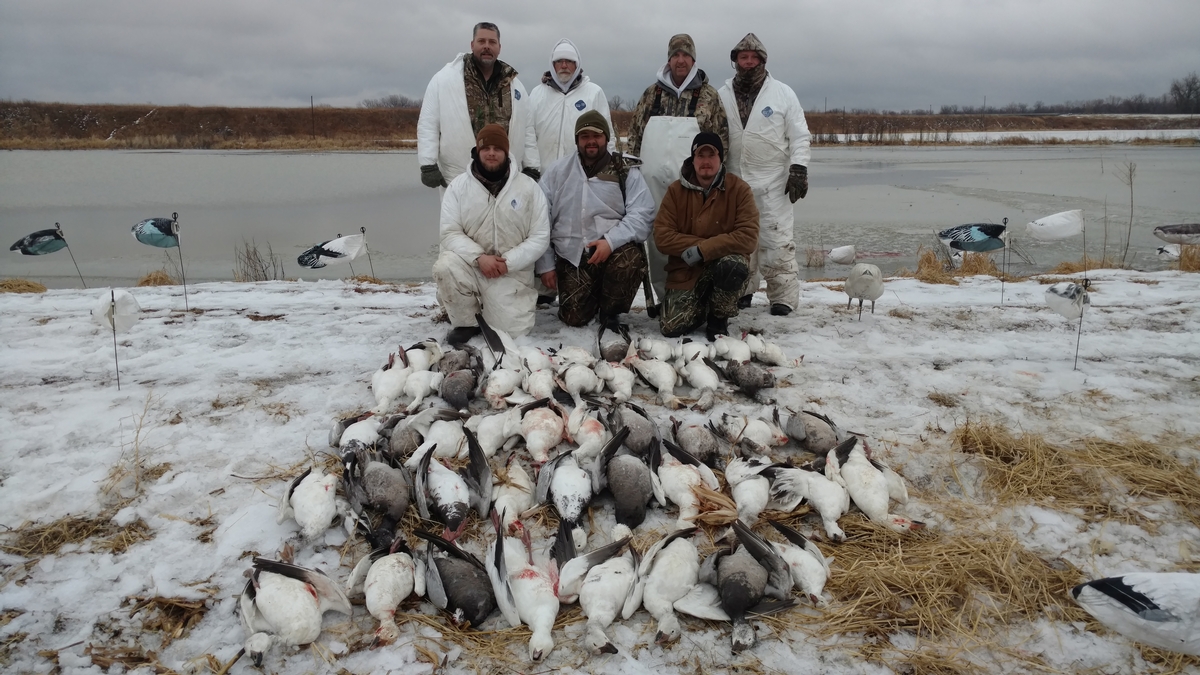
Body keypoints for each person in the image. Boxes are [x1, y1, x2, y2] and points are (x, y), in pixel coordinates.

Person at [623, 34, 730, 317]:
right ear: (669, 59)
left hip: (696, 186)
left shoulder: (709, 96)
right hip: (653, 186)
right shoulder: (651, 95)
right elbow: (634, 139)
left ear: (693, 60)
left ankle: (698, 295)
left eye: (686, 55)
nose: (680, 60)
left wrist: (717, 181)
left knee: (696, 239)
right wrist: (629, 179)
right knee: (659, 240)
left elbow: (722, 141)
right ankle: (662, 296)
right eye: (675, 55)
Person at [717, 33, 810, 316]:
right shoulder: (721, 95)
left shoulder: (782, 93)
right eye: (742, 57)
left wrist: (799, 168)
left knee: (775, 240)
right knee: (737, 240)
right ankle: (741, 291)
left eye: (753, 57)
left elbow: (800, 136)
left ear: (762, 60)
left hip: (774, 183)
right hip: (733, 182)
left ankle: (782, 297)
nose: (748, 62)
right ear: (735, 61)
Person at [433, 124, 550, 346]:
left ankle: (490, 308)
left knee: (512, 333)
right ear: (477, 151)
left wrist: (509, 263)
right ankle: (466, 322)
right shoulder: (458, 187)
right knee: (445, 266)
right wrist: (479, 257)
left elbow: (540, 236)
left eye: (498, 148)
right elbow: (449, 232)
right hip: (472, 265)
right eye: (486, 148)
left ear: (507, 152)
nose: (492, 153)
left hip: (510, 272)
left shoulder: (529, 188)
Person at [536, 110, 655, 329]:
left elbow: (643, 213)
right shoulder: (557, 171)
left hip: (613, 253)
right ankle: (591, 298)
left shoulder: (625, 170)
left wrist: (610, 242)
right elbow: (539, 218)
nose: (591, 141)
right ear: (577, 140)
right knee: (574, 319)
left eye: (597, 135)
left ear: (606, 138)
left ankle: (611, 312)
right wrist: (545, 265)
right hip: (571, 256)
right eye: (584, 136)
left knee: (629, 260)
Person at [653, 132, 758, 341]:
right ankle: (701, 307)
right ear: (693, 159)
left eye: (712, 155)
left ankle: (719, 317)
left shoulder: (740, 190)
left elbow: (748, 237)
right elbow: (662, 237)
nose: (706, 162)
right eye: (701, 156)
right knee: (670, 327)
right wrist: (713, 243)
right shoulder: (675, 191)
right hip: (686, 272)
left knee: (733, 266)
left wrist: (703, 250)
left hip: (723, 265)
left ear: (721, 159)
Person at [417, 22, 539, 191]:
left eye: (492, 42)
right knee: (459, 218)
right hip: (459, 176)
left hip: (506, 179)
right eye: (482, 41)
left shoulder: (515, 85)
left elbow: (527, 128)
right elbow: (428, 123)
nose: (487, 46)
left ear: (499, 47)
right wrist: (427, 163)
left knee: (506, 218)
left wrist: (532, 166)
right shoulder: (444, 80)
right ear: (472, 44)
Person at [528, 38, 616, 167]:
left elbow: (607, 135)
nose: (564, 65)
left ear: (577, 64)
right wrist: (532, 168)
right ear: (552, 65)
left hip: (583, 175)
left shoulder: (594, 93)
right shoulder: (537, 94)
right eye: (559, 61)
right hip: (544, 176)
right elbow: (529, 135)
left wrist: (607, 169)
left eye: (569, 61)